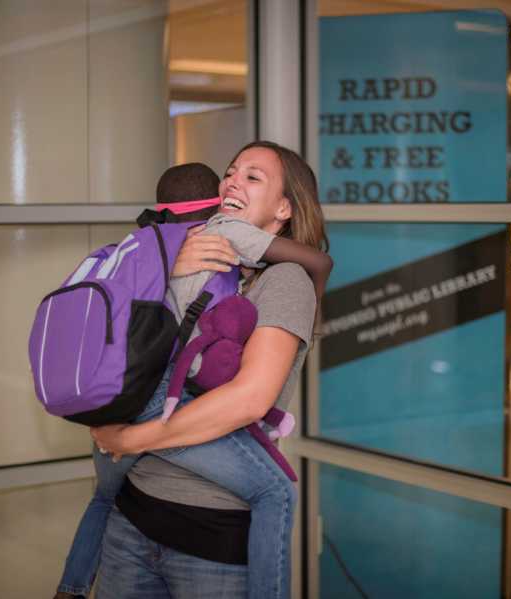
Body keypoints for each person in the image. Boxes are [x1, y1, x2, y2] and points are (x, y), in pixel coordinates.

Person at [55, 154, 330, 599]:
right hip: (131, 525)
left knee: (274, 492)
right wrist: (166, 266)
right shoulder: (184, 252)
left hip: (209, 548)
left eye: (252, 177)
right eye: (229, 174)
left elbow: (249, 400)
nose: (232, 183)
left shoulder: (285, 280)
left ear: (285, 208)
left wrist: (128, 439)